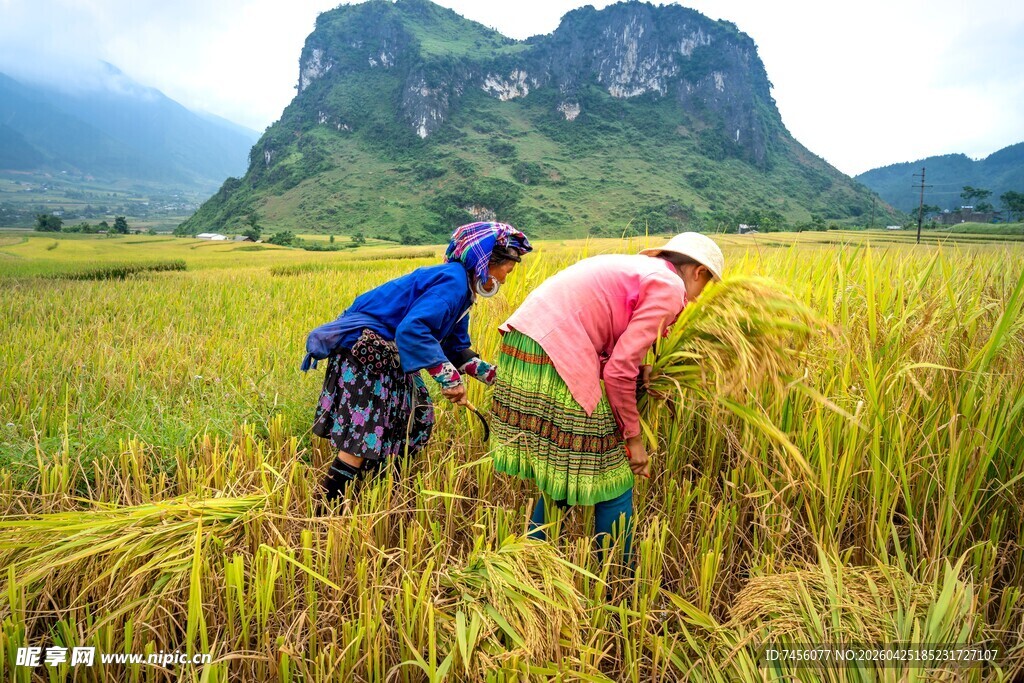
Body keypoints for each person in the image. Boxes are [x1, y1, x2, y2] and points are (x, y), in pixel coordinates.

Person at [490, 232, 724, 562]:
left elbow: (608, 338)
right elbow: (617, 371)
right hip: (554, 353)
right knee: (613, 474)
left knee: (570, 467)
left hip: (528, 347)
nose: (699, 299)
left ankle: (527, 561)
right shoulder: (670, 287)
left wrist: (640, 368)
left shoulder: (643, 270)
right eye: (707, 287)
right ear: (699, 272)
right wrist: (634, 439)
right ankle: (617, 572)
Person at [302, 222, 532, 509]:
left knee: (417, 415)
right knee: (364, 435)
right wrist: (449, 379)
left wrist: (498, 378)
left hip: (388, 355)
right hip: (366, 353)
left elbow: (455, 348)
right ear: (486, 263)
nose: (505, 280)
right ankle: (324, 508)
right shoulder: (453, 282)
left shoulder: (464, 291)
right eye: (506, 271)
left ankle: (377, 491)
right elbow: (413, 330)